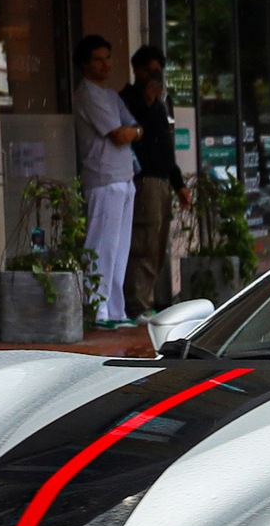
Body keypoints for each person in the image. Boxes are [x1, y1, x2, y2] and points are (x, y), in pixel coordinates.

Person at [73, 34, 139, 328]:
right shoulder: (86, 94)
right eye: (98, 59)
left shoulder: (112, 96)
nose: (106, 64)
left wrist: (134, 131)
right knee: (101, 245)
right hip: (103, 179)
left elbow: (135, 128)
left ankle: (115, 310)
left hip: (124, 177)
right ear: (85, 64)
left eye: (108, 57)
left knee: (119, 248)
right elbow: (119, 133)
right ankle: (96, 310)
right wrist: (133, 132)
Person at [120, 46, 189, 316]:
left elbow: (166, 150)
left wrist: (179, 184)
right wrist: (147, 99)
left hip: (160, 182)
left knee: (157, 245)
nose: (154, 76)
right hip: (143, 180)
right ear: (136, 70)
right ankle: (137, 305)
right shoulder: (128, 101)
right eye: (148, 70)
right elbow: (138, 141)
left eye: (158, 70)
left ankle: (145, 300)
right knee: (143, 243)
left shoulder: (160, 106)